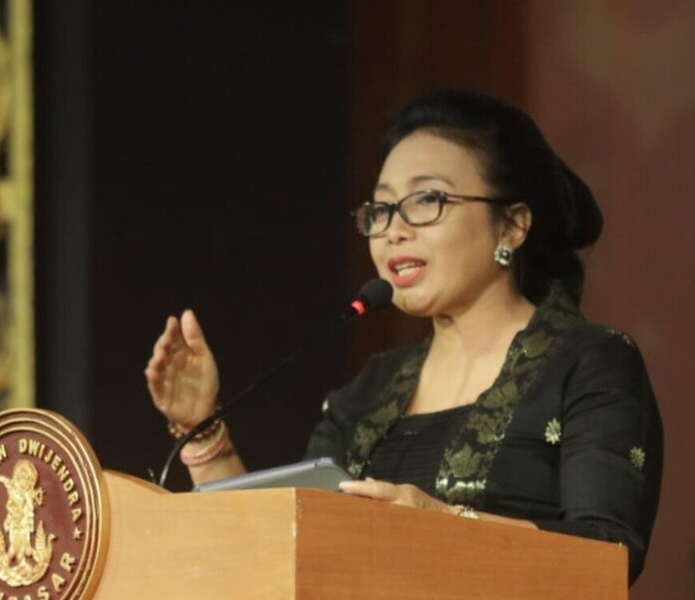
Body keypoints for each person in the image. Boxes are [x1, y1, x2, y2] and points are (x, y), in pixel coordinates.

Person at [144, 89, 662, 584]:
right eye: (382, 209)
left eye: (426, 200)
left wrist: (441, 525)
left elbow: (609, 553)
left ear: (512, 226)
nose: (393, 230)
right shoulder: (367, 390)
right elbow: (281, 547)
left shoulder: (590, 362)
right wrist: (202, 430)